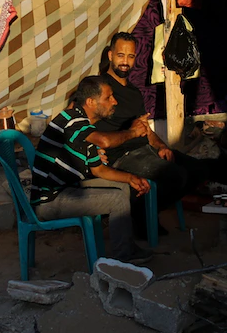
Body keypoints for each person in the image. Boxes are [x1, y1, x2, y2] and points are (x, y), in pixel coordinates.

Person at [86, 33, 201, 239]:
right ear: (110, 55)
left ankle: (144, 212)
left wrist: (161, 146)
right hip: (122, 156)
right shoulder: (99, 87)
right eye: (120, 55)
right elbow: (76, 118)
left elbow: (145, 128)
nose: (125, 61)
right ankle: (141, 216)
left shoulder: (134, 92)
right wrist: (91, 148)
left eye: (130, 56)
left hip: (145, 150)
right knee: (175, 175)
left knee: (197, 170)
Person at [32, 75, 154, 264]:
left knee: (122, 187)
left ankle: (126, 248)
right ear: (90, 102)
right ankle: (124, 258)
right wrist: (132, 132)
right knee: (117, 200)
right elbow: (105, 141)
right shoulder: (72, 120)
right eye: (108, 98)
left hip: (65, 190)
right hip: (49, 201)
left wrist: (131, 179)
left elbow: (99, 171)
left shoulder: (85, 128)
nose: (114, 102)